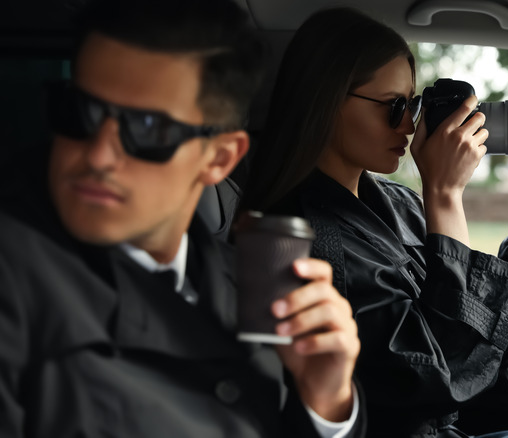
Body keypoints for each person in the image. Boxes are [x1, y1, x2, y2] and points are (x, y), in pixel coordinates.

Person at [240, 7, 508, 438]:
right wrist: (445, 194)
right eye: (393, 105)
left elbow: (488, 340)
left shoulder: (398, 203)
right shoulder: (302, 240)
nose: (408, 124)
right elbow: (439, 375)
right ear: (327, 100)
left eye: (413, 104)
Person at [0, 0, 365, 437]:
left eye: (149, 129)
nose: (97, 155)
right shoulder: (14, 276)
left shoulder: (251, 289)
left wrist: (326, 404)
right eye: (80, 111)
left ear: (219, 158)